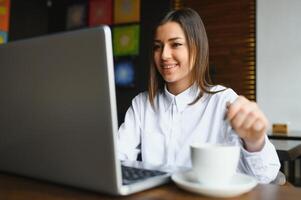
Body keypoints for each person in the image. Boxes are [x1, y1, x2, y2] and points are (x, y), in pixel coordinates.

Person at [117, 7, 280, 183]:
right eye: (158, 47)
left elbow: (265, 176)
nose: (164, 55)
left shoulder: (223, 101)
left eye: (176, 44)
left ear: (196, 48)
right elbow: (117, 157)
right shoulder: (142, 104)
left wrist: (254, 142)